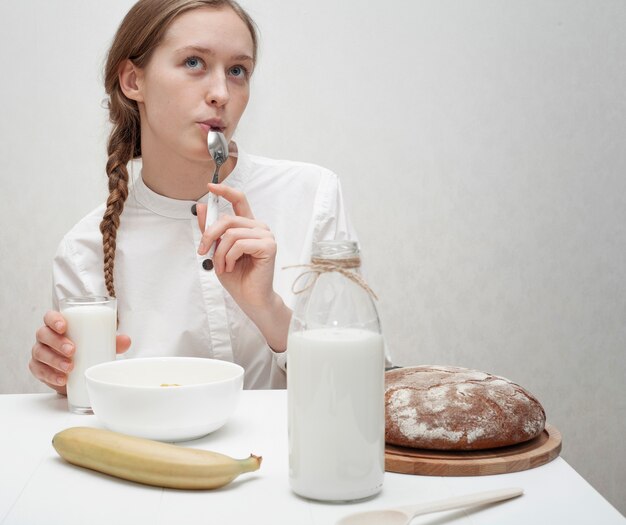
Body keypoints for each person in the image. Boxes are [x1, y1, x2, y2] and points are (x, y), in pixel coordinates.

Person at [28, 0, 357, 391]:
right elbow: (89, 417)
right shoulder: (83, 253)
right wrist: (69, 383)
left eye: (238, 71)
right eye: (194, 63)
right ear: (134, 81)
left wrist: (269, 310)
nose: (221, 93)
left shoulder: (313, 195)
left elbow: (358, 387)